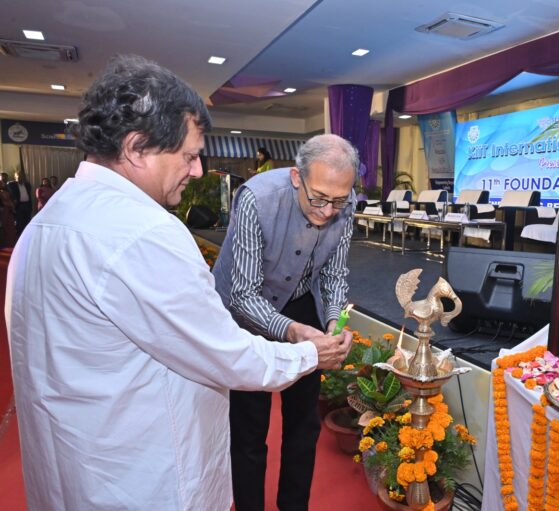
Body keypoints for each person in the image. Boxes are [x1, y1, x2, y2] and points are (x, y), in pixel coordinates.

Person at [6, 54, 352, 510]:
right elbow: (226, 354)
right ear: (135, 148)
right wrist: (310, 351)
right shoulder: (145, 232)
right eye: (189, 156)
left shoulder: (50, 219)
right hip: (142, 477)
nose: (198, 171)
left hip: (79, 463)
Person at [213, 133, 356, 511]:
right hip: (244, 312)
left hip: (299, 302)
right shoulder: (256, 199)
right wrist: (292, 332)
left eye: (338, 201)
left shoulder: (345, 201)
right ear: (297, 177)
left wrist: (332, 326)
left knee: (303, 425)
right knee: (249, 429)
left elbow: (335, 275)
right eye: (319, 198)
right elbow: (244, 294)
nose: (328, 211)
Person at [7, 170, 32, 235]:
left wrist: (30, 206)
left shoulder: (27, 184)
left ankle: (27, 235)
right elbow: (7, 185)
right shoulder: (12, 185)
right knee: (20, 223)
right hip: (19, 206)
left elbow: (29, 195)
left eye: (22, 176)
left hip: (27, 205)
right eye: (19, 176)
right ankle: (20, 236)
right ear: (15, 177)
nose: (20, 178)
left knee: (27, 221)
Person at [0, 181, 16, 246]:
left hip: (9, 211)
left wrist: (11, 205)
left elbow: (11, 200)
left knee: (10, 228)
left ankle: (10, 244)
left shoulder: (6, 191)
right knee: (3, 228)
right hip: (3, 212)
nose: (2, 184)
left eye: (1, 183)